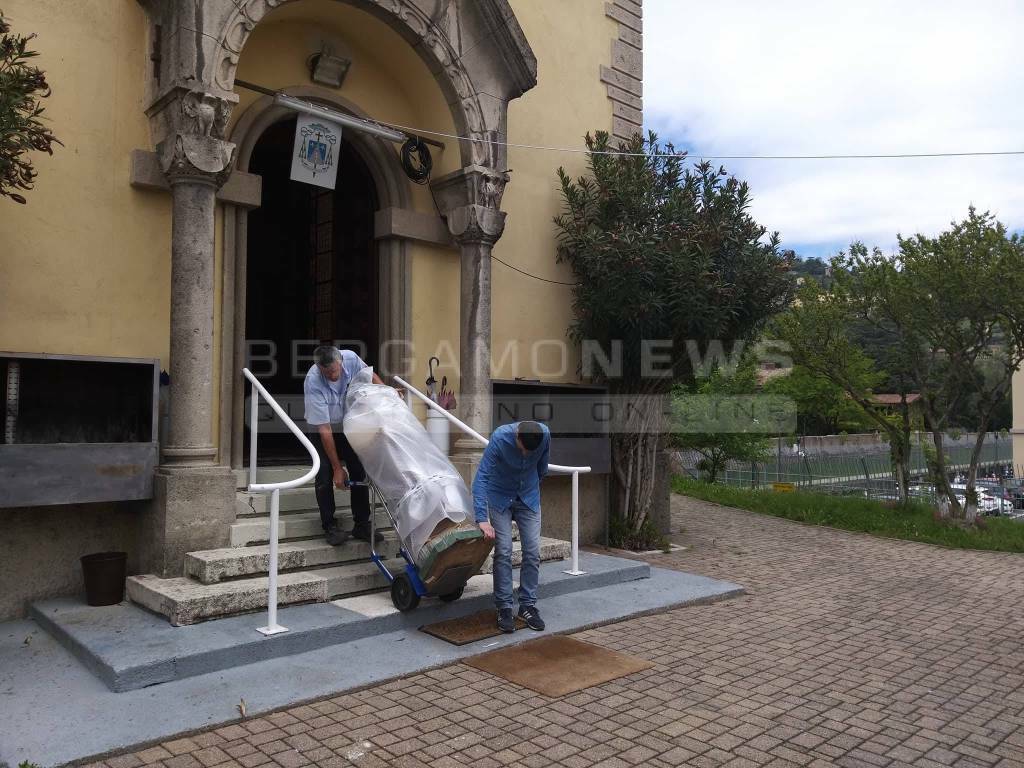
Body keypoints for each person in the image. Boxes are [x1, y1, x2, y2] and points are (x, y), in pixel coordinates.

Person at [473, 420, 550, 633]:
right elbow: (481, 478)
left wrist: (530, 488)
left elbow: (542, 468)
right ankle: (504, 607)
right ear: (517, 436)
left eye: (529, 452)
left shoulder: (544, 435)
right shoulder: (499, 438)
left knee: (533, 551)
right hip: (499, 497)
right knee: (504, 550)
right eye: (522, 449)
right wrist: (481, 518)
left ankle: (527, 605)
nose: (525, 455)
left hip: (528, 498)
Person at [304, 345, 386, 546]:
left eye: (334, 370)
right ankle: (330, 526)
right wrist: (337, 468)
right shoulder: (313, 380)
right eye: (326, 372)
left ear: (340, 361)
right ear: (319, 369)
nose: (332, 375)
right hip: (322, 428)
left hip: (347, 422)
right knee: (324, 474)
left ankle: (362, 524)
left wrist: (387, 393)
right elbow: (325, 429)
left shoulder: (350, 357)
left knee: (358, 468)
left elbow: (370, 375)